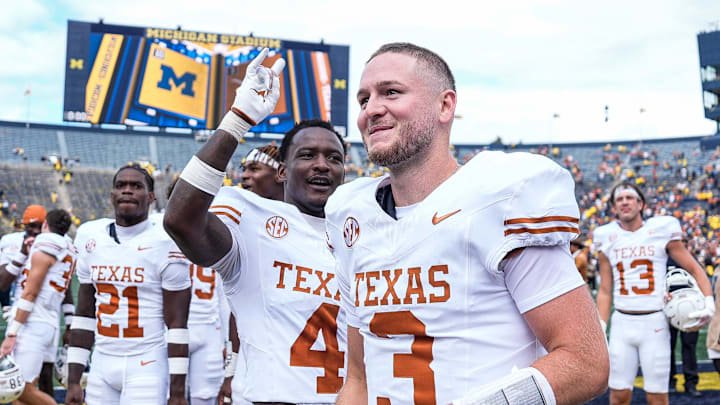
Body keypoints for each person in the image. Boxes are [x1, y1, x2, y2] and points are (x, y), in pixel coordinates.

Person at [325, 42, 608, 405]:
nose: (372, 109)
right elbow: (358, 382)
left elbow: (585, 362)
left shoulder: (498, 197)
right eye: (363, 100)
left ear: (445, 106)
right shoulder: (351, 217)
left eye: (391, 92)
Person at [164, 48, 348, 403]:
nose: (322, 165)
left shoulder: (360, 233)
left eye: (334, 158)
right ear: (282, 171)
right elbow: (181, 221)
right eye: (307, 155)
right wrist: (239, 118)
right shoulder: (250, 217)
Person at [65, 165, 192, 405]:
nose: (127, 191)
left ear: (151, 197)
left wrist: (177, 392)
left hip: (146, 363)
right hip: (102, 359)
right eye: (121, 185)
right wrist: (73, 379)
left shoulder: (166, 242)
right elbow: (84, 314)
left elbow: (177, 324)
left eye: (136, 186)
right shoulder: (90, 236)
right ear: (112, 194)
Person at [594, 182, 714, 405]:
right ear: (613, 207)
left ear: (641, 204)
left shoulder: (661, 230)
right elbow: (605, 289)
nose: (624, 202)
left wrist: (709, 303)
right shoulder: (606, 236)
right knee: (618, 396)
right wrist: (600, 325)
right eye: (619, 199)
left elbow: (695, 268)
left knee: (658, 398)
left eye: (629, 197)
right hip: (621, 323)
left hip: (654, 324)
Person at [0, 209, 75, 405]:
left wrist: (12, 333)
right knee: (23, 392)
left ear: (45, 225)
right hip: (47, 321)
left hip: (32, 321)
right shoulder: (67, 246)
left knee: (19, 389)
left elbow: (30, 293)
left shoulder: (46, 244)